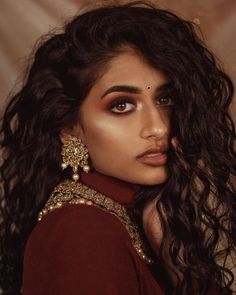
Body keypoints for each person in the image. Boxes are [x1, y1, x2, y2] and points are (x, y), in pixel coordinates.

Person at [0, 1, 235, 294]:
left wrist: (177, 259)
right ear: (68, 128)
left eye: (165, 100)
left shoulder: (137, 214)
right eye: (121, 105)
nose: (158, 128)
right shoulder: (82, 231)